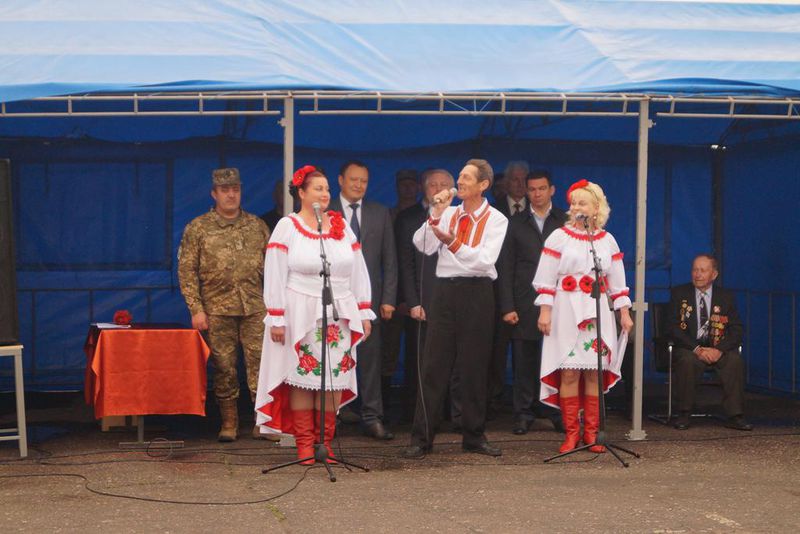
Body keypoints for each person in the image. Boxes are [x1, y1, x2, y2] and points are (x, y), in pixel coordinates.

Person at [254, 165, 375, 464]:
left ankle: (325, 442)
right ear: (302, 192)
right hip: (300, 310)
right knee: (303, 377)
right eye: (318, 188)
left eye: (327, 189)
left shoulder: (340, 225)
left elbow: (357, 267)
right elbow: (276, 270)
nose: (324, 194)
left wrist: (363, 310)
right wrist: (277, 316)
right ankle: (305, 444)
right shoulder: (288, 226)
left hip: (339, 312)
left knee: (335, 378)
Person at [403, 159, 509, 459]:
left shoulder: (497, 220)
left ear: (483, 185)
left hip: (478, 293)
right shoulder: (448, 213)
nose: (458, 182)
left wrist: (451, 242)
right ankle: (421, 438)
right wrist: (435, 211)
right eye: (459, 177)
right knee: (434, 366)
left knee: (474, 367)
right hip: (446, 291)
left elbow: (484, 261)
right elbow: (421, 244)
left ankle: (473, 435)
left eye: (465, 177)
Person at [533, 179, 633, 453]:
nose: (576, 207)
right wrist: (545, 311)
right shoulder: (558, 237)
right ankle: (571, 434)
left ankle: (591, 433)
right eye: (574, 202)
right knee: (568, 372)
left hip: (596, 310)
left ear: (596, 207)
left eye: (582, 202)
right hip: (565, 310)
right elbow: (545, 277)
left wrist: (624, 312)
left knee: (593, 372)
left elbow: (617, 281)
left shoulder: (606, 240)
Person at [178, 168, 270, 442]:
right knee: (224, 366)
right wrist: (196, 308)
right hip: (217, 310)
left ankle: (262, 421)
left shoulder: (257, 226)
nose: (231, 194)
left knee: (261, 365)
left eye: (236, 189)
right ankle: (229, 422)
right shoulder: (198, 228)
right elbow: (186, 270)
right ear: (214, 193)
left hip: (255, 307)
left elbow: (276, 268)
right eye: (225, 190)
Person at [329, 160, 398, 440]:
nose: (358, 185)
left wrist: (389, 298)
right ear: (340, 180)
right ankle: (331, 416)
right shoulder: (324, 211)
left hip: (369, 301)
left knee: (370, 361)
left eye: (364, 181)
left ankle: (372, 416)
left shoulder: (380, 213)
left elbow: (390, 260)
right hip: (333, 300)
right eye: (353, 180)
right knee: (333, 358)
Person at [498, 169, 567, 434]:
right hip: (525, 301)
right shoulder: (514, 223)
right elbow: (505, 268)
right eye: (532, 189)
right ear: (526, 192)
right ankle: (523, 413)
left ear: (552, 190)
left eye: (542, 188)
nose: (537, 194)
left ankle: (554, 410)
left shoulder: (565, 221)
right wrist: (507, 306)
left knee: (556, 360)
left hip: (561, 303)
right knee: (524, 361)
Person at [395, 168, 459, 422]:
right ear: (423, 188)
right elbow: (406, 264)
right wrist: (413, 302)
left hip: (454, 299)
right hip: (423, 302)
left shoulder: (463, 216)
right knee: (421, 363)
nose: (439, 189)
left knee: (453, 362)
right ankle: (420, 415)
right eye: (433, 184)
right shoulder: (409, 218)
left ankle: (452, 415)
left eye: (445, 184)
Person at [669, 254, 752, 431]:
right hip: (690, 347)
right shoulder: (679, 293)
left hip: (717, 347)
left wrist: (719, 350)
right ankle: (683, 413)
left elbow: (736, 329)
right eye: (695, 270)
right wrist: (697, 349)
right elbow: (674, 328)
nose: (697, 274)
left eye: (703, 270)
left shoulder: (726, 297)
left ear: (714, 275)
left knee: (734, 361)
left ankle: (736, 415)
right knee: (687, 361)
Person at [488, 161, 531, 418]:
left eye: (523, 179)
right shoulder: (494, 212)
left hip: (529, 296)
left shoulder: (538, 214)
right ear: (504, 184)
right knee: (497, 351)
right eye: (514, 179)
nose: (519, 184)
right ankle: (494, 398)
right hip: (498, 293)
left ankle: (529, 403)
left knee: (528, 352)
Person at [381, 169, 421, 417]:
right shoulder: (388, 215)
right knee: (389, 351)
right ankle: (384, 405)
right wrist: (396, 299)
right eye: (402, 184)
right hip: (393, 297)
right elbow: (391, 261)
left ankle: (412, 404)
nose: (407, 189)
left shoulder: (423, 216)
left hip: (418, 297)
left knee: (417, 353)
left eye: (411, 184)